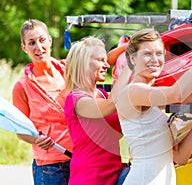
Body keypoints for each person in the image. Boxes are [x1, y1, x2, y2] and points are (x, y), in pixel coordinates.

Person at [113, 28, 192, 185]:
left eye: (159, 53)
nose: (155, 59)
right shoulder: (132, 91)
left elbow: (181, 157)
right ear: (132, 58)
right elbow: (177, 93)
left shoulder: (152, 106)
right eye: (147, 54)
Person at [12, 19, 73, 184]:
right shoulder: (22, 87)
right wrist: (36, 140)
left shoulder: (69, 71)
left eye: (42, 39)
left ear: (50, 40)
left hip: (79, 159)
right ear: (24, 47)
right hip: (50, 168)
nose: (38, 47)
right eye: (31, 43)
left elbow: (102, 61)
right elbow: (21, 131)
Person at [64, 36, 131, 185]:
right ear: (83, 63)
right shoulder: (75, 99)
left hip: (115, 171)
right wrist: (130, 66)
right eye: (101, 60)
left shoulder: (102, 94)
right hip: (90, 177)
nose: (107, 65)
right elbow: (110, 106)